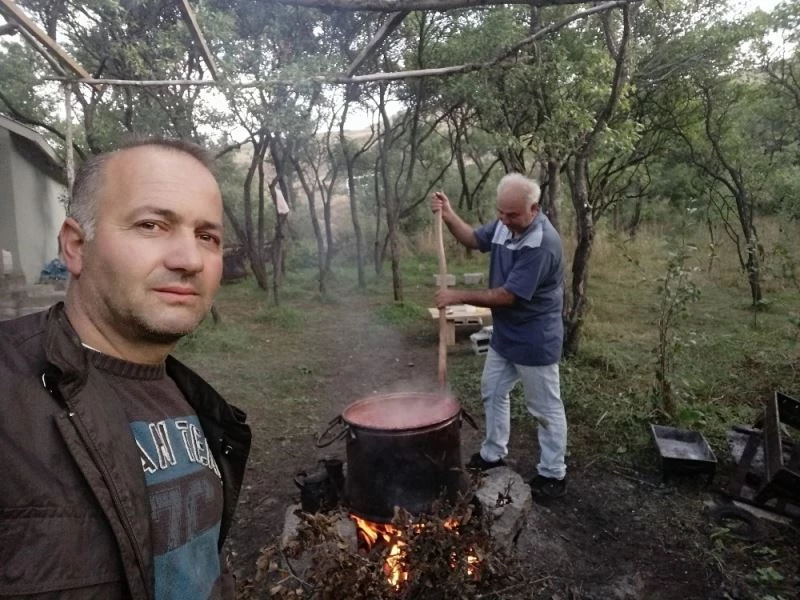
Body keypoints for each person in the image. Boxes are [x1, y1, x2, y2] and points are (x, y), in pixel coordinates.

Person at [0, 138, 252, 598]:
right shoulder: (10, 398)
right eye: (152, 225)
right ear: (75, 246)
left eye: (207, 237)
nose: (189, 260)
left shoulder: (195, 403)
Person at [431, 173, 567, 500]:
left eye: (512, 215)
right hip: (506, 334)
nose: (504, 221)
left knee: (544, 408)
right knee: (492, 391)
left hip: (535, 339)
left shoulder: (542, 244)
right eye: (500, 213)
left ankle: (553, 473)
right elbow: (474, 240)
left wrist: (458, 295)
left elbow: (509, 296)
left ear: (533, 209)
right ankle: (493, 454)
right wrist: (449, 215)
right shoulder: (506, 224)